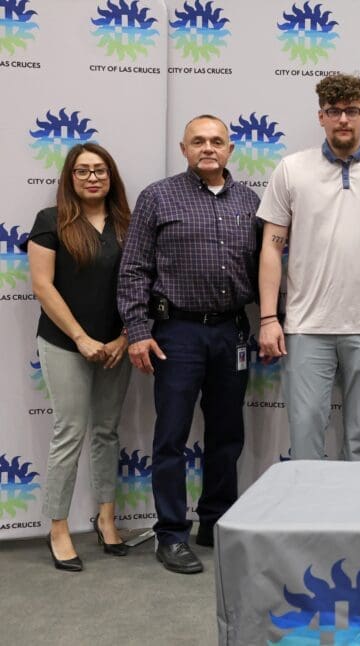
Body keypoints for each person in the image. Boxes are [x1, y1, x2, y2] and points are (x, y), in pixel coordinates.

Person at [118, 115, 261, 574]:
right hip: (175, 333)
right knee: (172, 435)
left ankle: (215, 521)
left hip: (232, 331)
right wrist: (138, 332)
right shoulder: (158, 197)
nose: (208, 148)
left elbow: (267, 269)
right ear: (183, 149)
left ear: (230, 149)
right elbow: (134, 269)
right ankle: (172, 533)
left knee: (226, 435)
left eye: (216, 141)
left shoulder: (250, 200)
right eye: (198, 141)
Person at [257, 74, 360, 462]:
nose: (343, 119)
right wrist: (267, 318)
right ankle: (308, 522)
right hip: (305, 326)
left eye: (351, 111)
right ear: (321, 117)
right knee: (305, 433)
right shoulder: (291, 169)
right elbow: (271, 246)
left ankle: (354, 519)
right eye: (334, 112)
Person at [24, 143, 132, 571]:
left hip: (116, 346)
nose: (92, 177)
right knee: (70, 431)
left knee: (106, 431)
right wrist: (81, 337)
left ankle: (106, 518)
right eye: (83, 171)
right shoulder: (50, 222)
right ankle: (58, 527)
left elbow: (139, 283)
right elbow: (42, 286)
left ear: (111, 177)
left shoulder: (127, 223)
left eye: (100, 170)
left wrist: (125, 336)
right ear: (70, 177)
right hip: (65, 342)